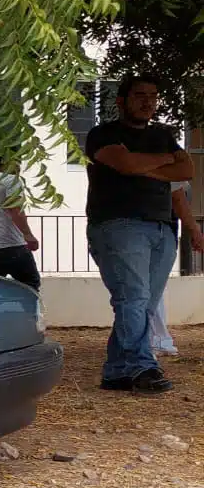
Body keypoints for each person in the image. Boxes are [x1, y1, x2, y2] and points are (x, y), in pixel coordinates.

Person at [83, 73, 194, 393]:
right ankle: (142, 367)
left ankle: (116, 372)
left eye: (153, 96)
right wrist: (162, 162)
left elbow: (186, 170)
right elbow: (126, 165)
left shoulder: (163, 135)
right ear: (121, 101)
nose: (148, 102)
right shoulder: (102, 134)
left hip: (162, 227)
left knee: (142, 304)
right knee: (133, 297)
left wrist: (142, 163)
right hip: (119, 225)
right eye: (140, 95)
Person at [151, 179, 204, 357]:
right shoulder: (170, 173)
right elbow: (178, 198)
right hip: (159, 235)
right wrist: (195, 231)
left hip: (161, 234)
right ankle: (156, 340)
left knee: (150, 290)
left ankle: (157, 339)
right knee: (152, 290)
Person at [0, 157, 41, 290]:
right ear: (5, 163)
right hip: (11, 245)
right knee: (30, 285)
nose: (20, 166)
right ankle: (26, 311)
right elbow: (15, 209)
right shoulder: (11, 180)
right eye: (16, 162)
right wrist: (28, 235)